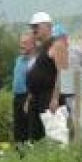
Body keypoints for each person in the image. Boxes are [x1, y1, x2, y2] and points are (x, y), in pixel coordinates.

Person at [26, 12, 68, 142]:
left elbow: (62, 72)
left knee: (56, 135)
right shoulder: (41, 48)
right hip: (37, 98)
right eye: (32, 27)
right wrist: (30, 97)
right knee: (36, 138)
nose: (34, 30)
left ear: (47, 26)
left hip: (50, 97)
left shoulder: (57, 44)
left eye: (36, 26)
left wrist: (55, 98)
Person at [12, 32, 37, 144]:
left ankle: (29, 156)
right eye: (21, 42)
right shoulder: (18, 59)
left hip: (28, 97)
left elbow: (35, 83)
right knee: (18, 128)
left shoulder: (35, 61)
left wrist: (28, 100)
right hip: (17, 97)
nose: (21, 45)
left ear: (32, 45)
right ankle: (19, 157)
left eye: (25, 43)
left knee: (28, 128)